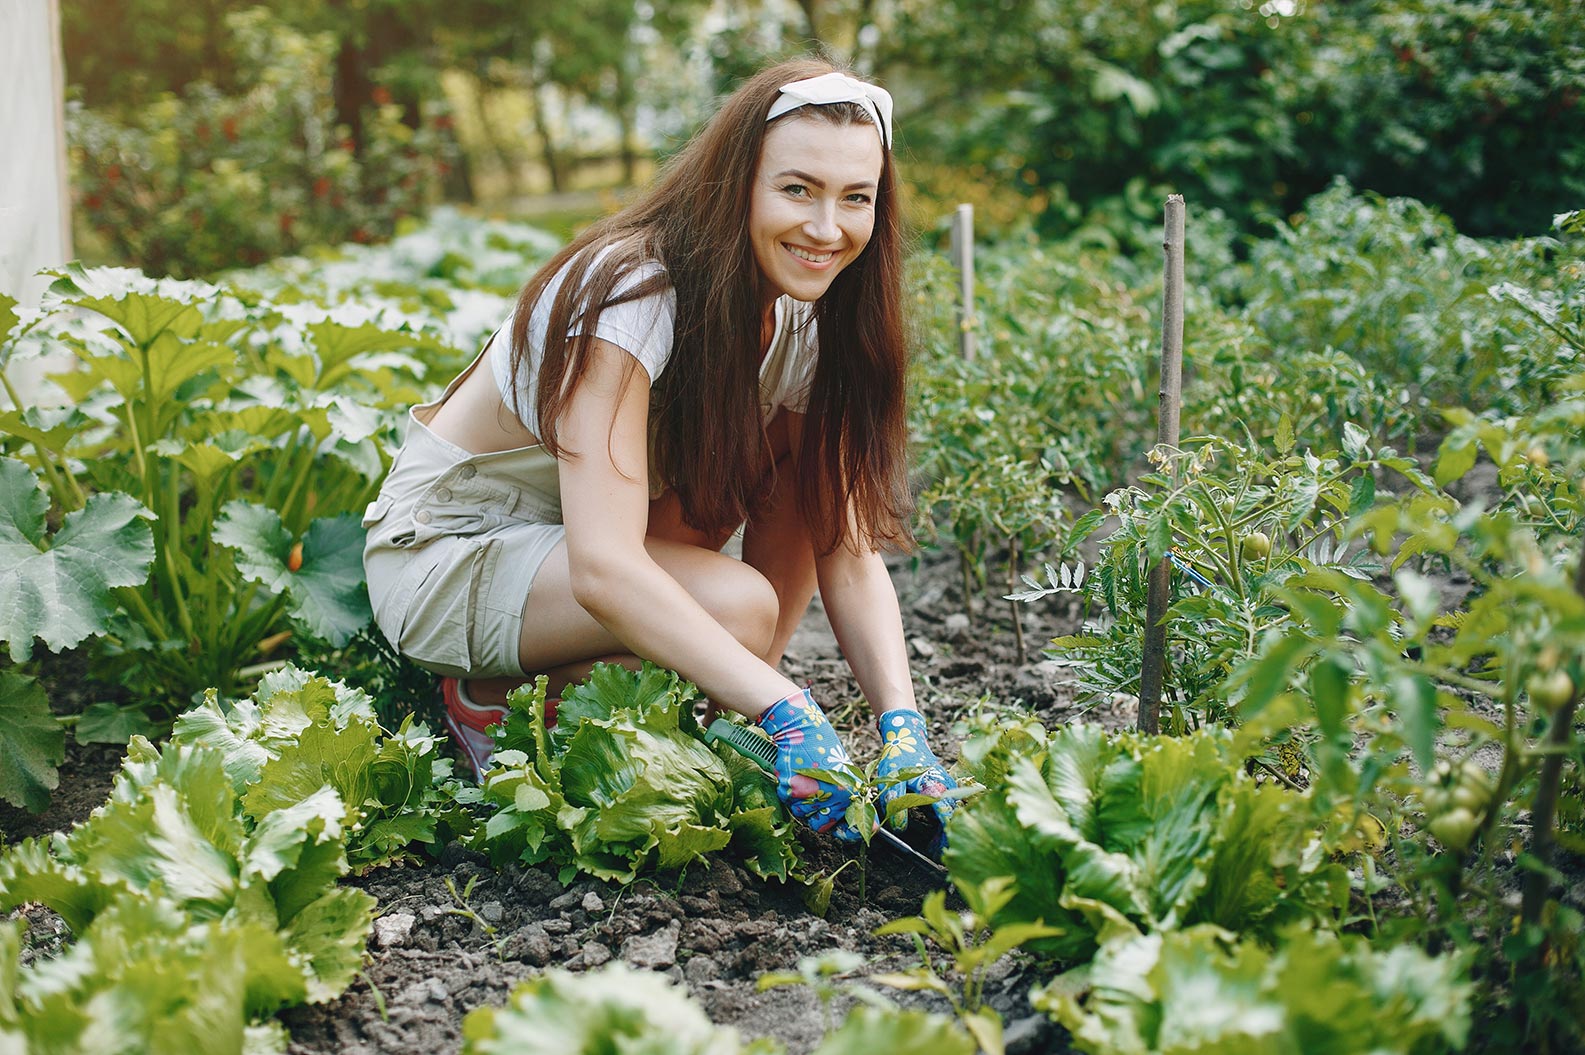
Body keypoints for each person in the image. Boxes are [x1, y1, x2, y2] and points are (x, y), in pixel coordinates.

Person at [362, 57, 957, 852]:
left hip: (562, 557)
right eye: (796, 189)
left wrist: (902, 727)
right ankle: (485, 697)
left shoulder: (805, 323)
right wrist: (790, 709)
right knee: (737, 606)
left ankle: (730, 714)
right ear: (737, 180)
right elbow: (604, 566)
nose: (826, 228)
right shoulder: (630, 291)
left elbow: (844, 551)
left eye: (855, 198)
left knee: (797, 476)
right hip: (451, 553)